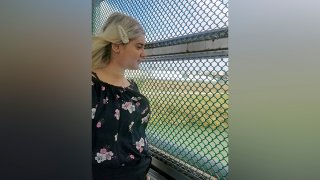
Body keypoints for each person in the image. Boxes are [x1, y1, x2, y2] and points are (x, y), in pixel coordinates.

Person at [91, 12, 151, 180]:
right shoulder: (91, 86)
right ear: (117, 45)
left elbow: (135, 134)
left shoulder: (132, 87)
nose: (144, 54)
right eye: (139, 46)